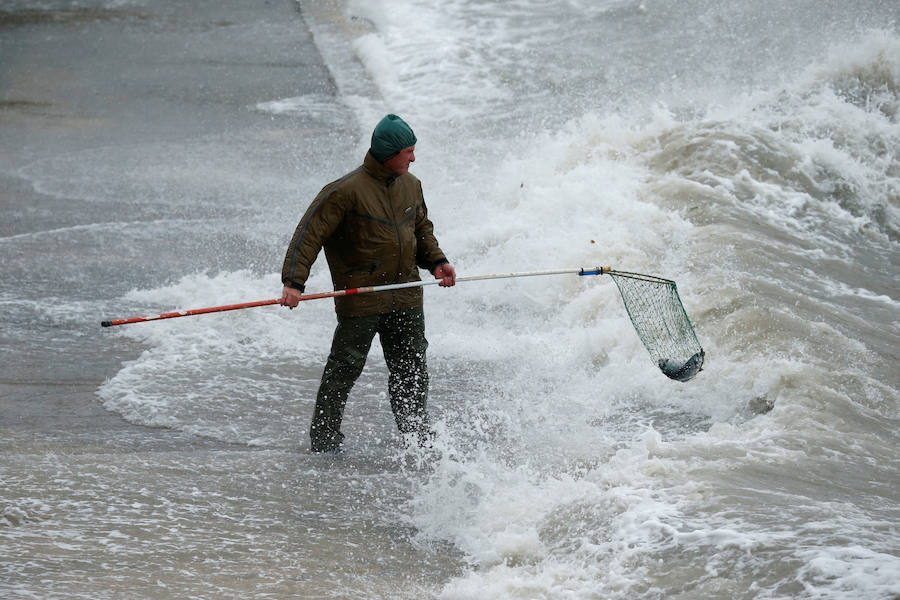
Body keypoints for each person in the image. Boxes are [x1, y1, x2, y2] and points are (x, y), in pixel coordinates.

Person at [279, 114, 456, 453]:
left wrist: (438, 262)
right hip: (361, 300)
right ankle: (325, 441)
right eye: (408, 151)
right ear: (389, 152)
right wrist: (293, 283)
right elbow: (308, 236)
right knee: (343, 371)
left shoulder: (411, 184)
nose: (413, 158)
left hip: (404, 295)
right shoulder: (344, 191)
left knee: (412, 369)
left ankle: (415, 437)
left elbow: (421, 232)